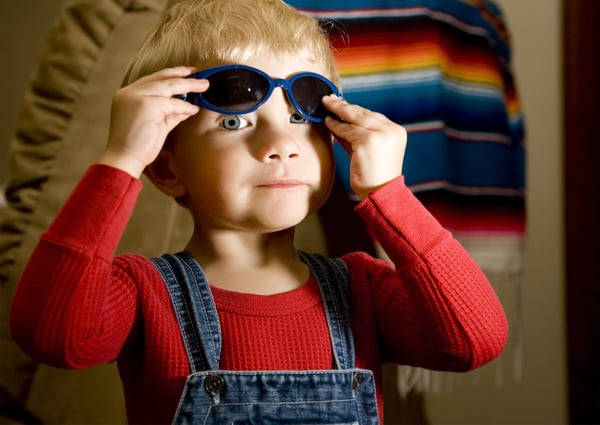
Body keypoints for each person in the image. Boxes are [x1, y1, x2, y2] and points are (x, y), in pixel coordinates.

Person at [8, 0, 508, 423]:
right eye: (233, 122)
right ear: (165, 168)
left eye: (299, 117)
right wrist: (120, 161)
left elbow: (474, 342)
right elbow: (55, 337)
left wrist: (387, 190)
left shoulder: (363, 288)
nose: (281, 145)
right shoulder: (143, 292)